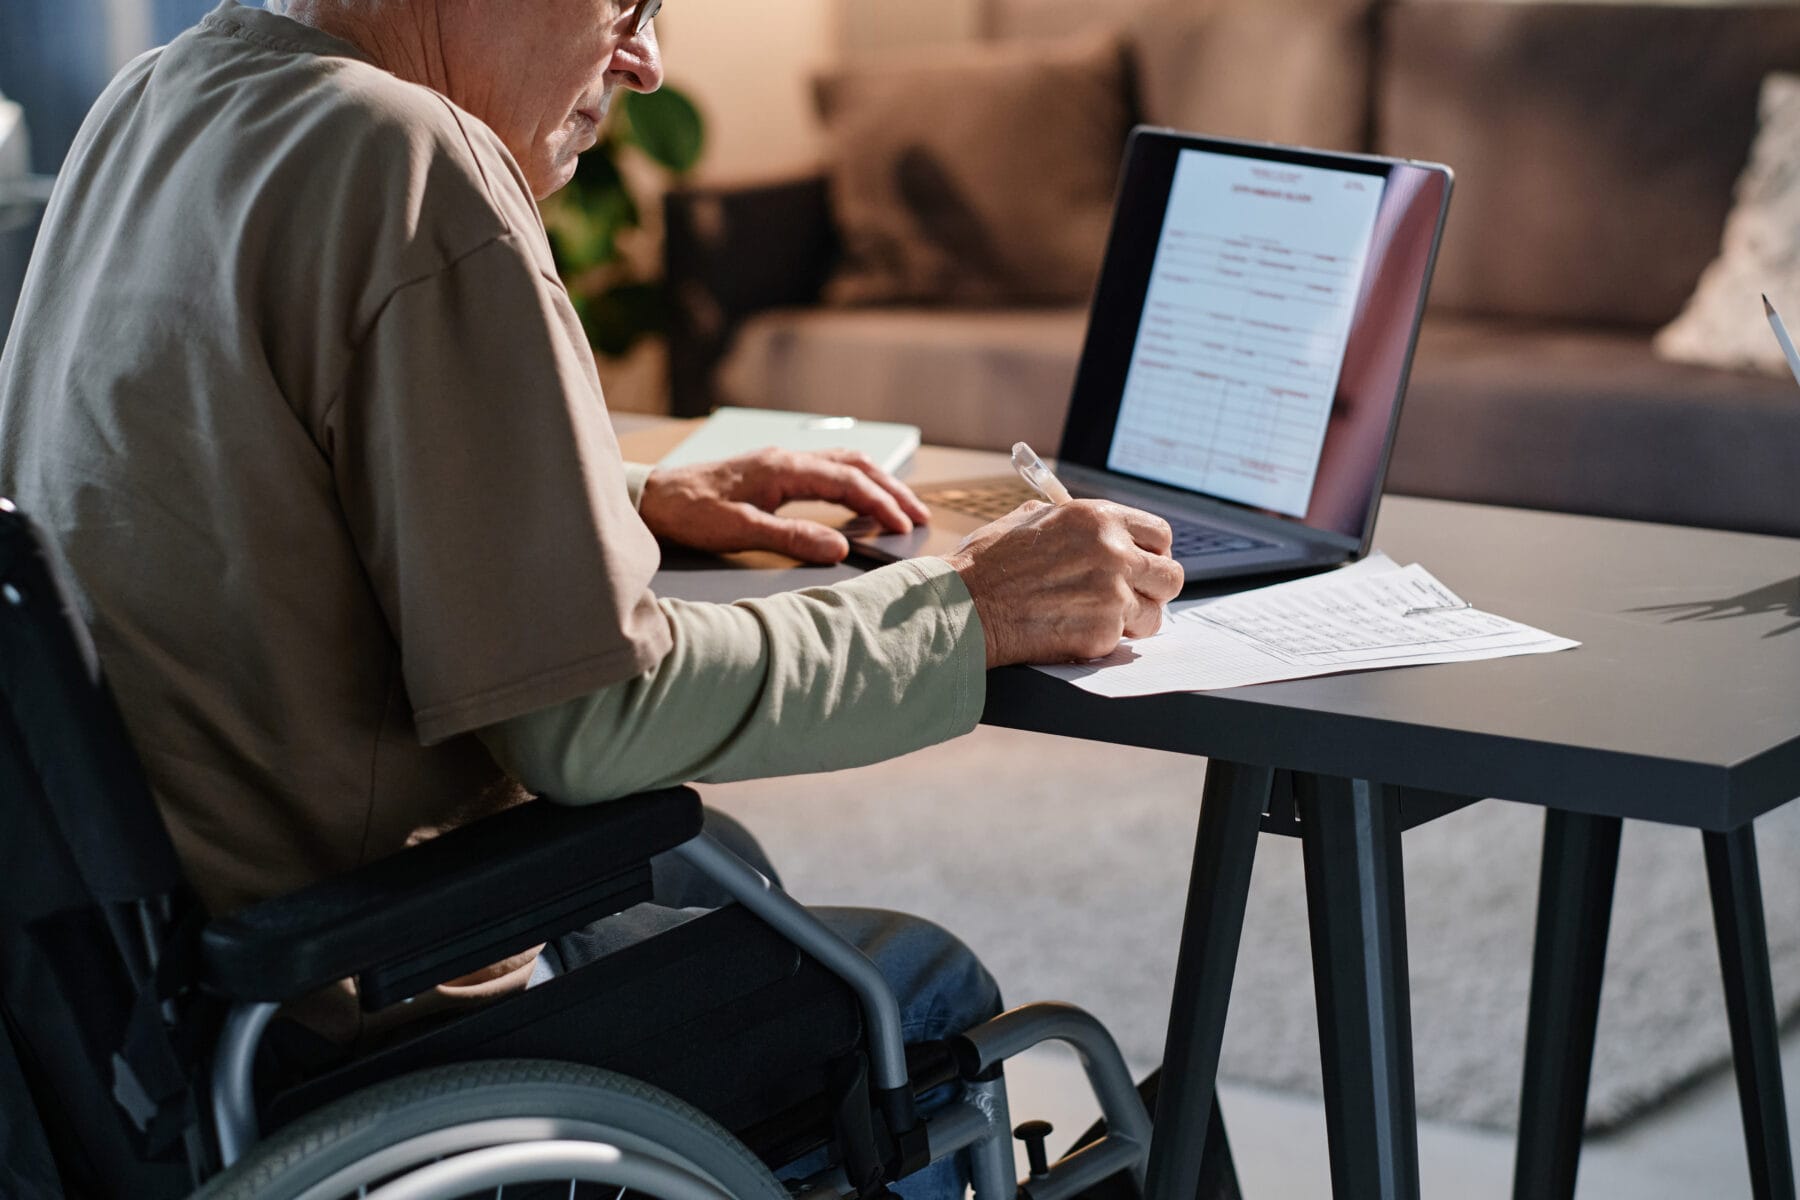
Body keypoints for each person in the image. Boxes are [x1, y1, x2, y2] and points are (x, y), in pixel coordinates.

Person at [0, 1, 1183, 1194]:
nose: (649, 64)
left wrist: (612, 489)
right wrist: (969, 611)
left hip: (163, 1014)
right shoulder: (407, 155)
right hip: (354, 1018)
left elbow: (224, 452)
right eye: (628, 4)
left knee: (732, 871)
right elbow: (591, 717)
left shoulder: (158, 100)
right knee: (912, 993)